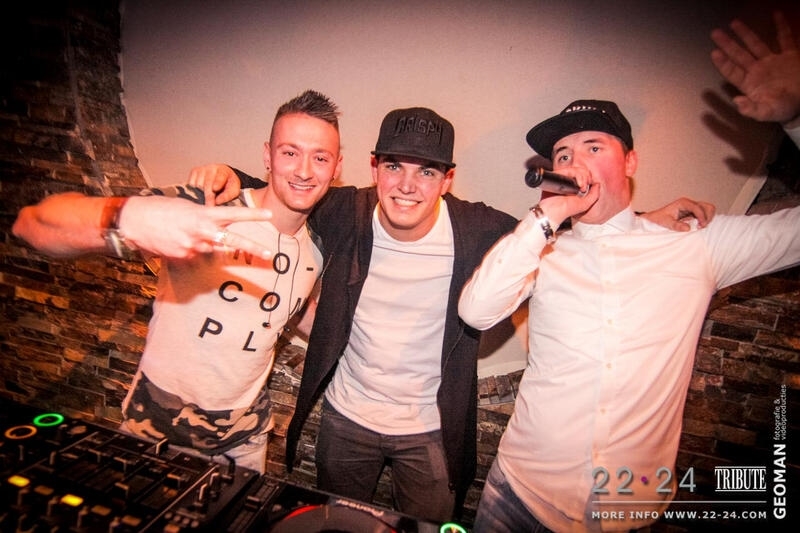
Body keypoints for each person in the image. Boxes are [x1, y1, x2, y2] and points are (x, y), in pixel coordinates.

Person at [189, 111, 712, 522]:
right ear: (373, 169)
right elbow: (287, 189)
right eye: (394, 166)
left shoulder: (480, 229)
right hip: (346, 419)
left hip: (431, 431)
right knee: (338, 524)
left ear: (447, 179)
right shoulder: (346, 210)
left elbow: (563, 233)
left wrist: (640, 220)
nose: (407, 184)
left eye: (427, 171)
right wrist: (229, 175)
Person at [458, 12, 800, 532]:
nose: (575, 162)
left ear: (631, 162)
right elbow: (476, 312)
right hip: (518, 496)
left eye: (594, 148)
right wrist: (546, 217)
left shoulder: (695, 242)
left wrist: (796, 121)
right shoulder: (542, 250)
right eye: (563, 154)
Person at [11, 89, 343, 474]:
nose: (304, 171)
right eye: (290, 152)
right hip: (157, 432)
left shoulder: (316, 250)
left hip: (245, 443)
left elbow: (290, 306)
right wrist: (128, 218)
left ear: (336, 167)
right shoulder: (205, 207)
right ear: (267, 156)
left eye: (320, 157)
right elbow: (32, 225)